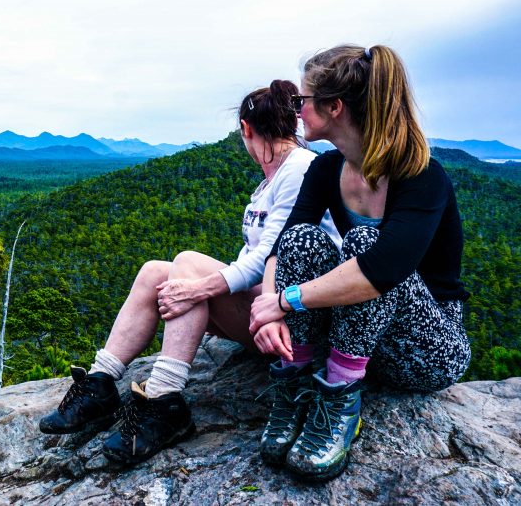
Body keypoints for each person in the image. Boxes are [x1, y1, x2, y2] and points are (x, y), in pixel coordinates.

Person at [39, 80, 338, 465]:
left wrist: (200, 290)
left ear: (246, 129)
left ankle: (164, 400)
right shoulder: (276, 177)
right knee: (153, 272)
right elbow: (256, 257)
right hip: (274, 310)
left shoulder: (299, 169)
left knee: (187, 265)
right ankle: (100, 382)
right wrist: (204, 299)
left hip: (296, 322)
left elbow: (271, 255)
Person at [248, 44, 471, 482]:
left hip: (427, 349)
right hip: (356, 333)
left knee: (367, 241)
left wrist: (287, 301)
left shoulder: (422, 177)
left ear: (334, 107)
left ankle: (339, 398)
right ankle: (296, 383)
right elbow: (280, 246)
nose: (297, 111)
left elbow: (381, 270)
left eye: (302, 101)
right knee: (303, 239)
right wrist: (270, 304)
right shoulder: (326, 168)